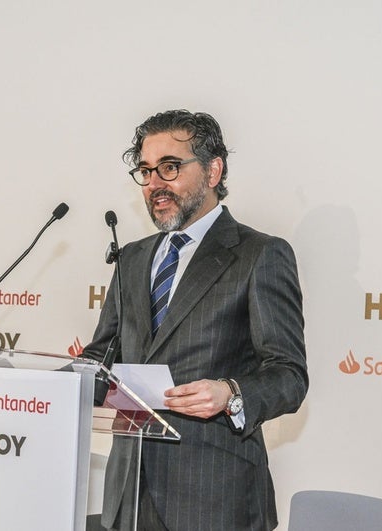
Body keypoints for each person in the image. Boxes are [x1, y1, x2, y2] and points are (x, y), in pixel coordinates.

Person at [83, 109, 308, 531]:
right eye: (146, 171)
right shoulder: (131, 258)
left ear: (212, 170)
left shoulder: (259, 255)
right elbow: (103, 355)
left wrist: (230, 392)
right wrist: (70, 378)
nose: (155, 184)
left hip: (215, 497)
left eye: (170, 167)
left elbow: (289, 375)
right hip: (129, 495)